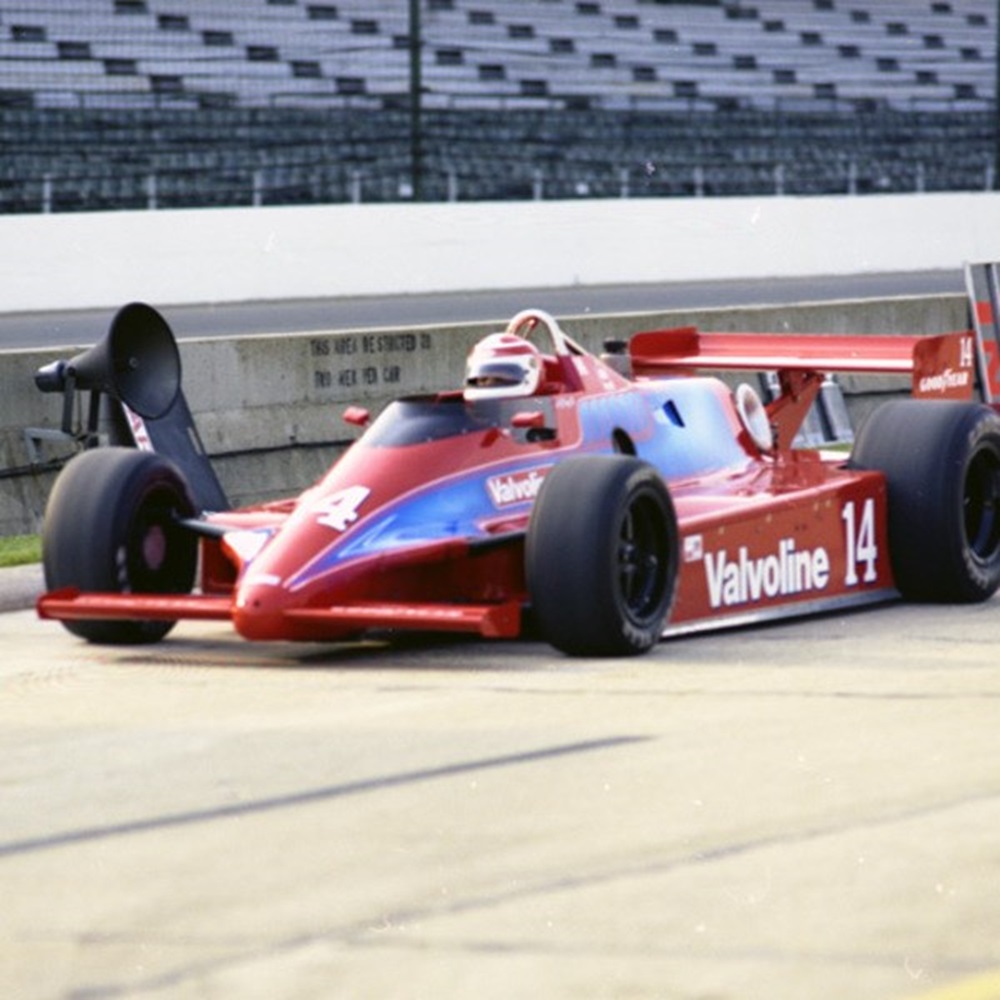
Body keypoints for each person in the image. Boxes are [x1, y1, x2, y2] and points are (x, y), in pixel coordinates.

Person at [463, 332, 544, 401]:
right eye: (483, 380)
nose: (489, 384)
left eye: (499, 379)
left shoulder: (541, 406)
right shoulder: (458, 409)